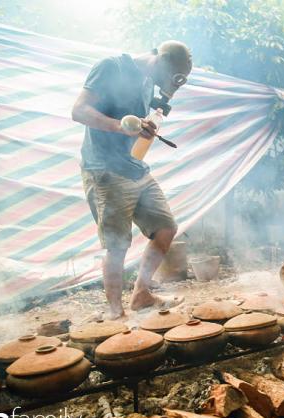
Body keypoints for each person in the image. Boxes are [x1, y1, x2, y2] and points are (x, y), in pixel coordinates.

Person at [72, 41, 193, 319]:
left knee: (165, 228)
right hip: (105, 169)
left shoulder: (147, 80)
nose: (165, 86)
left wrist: (146, 126)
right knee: (117, 245)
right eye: (169, 79)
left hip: (135, 167)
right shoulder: (110, 67)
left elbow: (138, 122)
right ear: (159, 62)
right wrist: (122, 126)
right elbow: (79, 111)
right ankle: (116, 312)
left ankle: (141, 294)